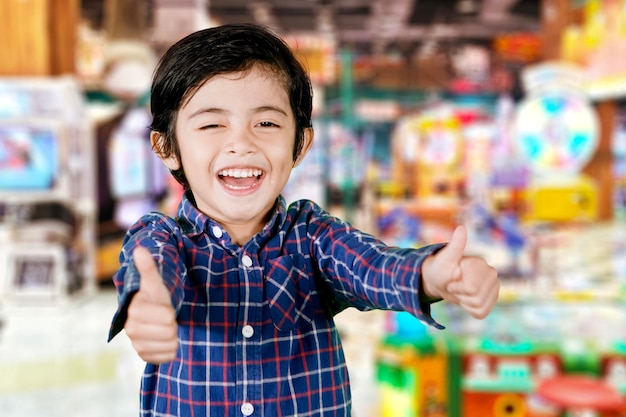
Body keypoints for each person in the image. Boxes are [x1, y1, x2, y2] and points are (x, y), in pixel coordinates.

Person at [108, 23, 499, 416]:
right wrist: (146, 307)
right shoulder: (160, 237)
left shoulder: (313, 238)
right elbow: (151, 274)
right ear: (166, 146)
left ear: (301, 144)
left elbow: (373, 266)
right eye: (212, 124)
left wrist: (432, 274)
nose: (241, 143)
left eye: (266, 123)